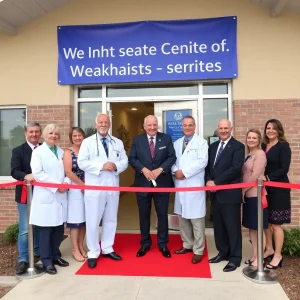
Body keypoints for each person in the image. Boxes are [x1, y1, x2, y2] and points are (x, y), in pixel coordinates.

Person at [77, 113, 128, 269]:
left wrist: (116, 166)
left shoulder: (117, 142)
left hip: (112, 184)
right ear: (96, 123)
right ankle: (93, 252)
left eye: (106, 122)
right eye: (101, 122)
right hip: (95, 186)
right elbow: (82, 162)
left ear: (109, 124)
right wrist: (101, 166)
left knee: (111, 218)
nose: (103, 124)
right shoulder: (87, 142)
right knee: (93, 219)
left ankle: (107, 248)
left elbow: (125, 160)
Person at [129, 115, 176, 258]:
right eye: (149, 125)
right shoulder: (138, 140)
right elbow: (132, 158)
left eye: (154, 125)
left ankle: (163, 244)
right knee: (144, 215)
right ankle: (145, 244)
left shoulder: (166, 138)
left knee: (162, 215)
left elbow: (171, 157)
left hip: (162, 183)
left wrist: (160, 169)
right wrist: (143, 169)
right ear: (144, 126)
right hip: (143, 183)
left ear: (158, 125)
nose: (152, 127)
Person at [29, 124, 69, 275]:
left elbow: (67, 171)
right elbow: (38, 173)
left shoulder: (60, 152)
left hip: (60, 195)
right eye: (51, 133)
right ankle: (46, 260)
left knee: (58, 229)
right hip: (46, 195)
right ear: (45, 135)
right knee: (45, 230)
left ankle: (56, 256)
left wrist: (65, 183)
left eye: (56, 133)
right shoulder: (38, 152)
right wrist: (56, 186)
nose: (54, 135)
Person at [205, 119, 244, 272]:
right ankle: (223, 252)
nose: (223, 131)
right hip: (215, 195)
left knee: (232, 227)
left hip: (230, 194)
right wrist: (208, 181)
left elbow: (235, 168)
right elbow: (208, 167)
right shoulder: (213, 146)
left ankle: (235, 258)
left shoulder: (238, 147)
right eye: (221, 128)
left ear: (231, 129)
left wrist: (216, 183)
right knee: (219, 227)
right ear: (217, 129)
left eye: (226, 128)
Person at [172, 116, 208, 264]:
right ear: (182, 127)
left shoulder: (201, 143)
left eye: (190, 125)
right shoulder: (177, 143)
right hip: (180, 185)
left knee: (196, 220)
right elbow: (172, 161)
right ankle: (187, 244)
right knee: (183, 218)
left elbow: (202, 162)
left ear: (195, 126)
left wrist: (184, 172)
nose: (187, 127)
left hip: (193, 185)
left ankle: (198, 249)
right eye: (185, 125)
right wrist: (176, 171)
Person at [10, 122, 42, 275]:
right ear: (26, 133)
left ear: (40, 133)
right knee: (24, 229)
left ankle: (37, 252)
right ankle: (23, 259)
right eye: (31, 132)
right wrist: (25, 176)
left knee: (38, 226)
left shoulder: (45, 149)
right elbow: (14, 171)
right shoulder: (18, 151)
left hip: (43, 195)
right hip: (25, 195)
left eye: (36, 132)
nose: (34, 134)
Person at [260, 119, 291, 269]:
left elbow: (284, 168)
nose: (270, 130)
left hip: (279, 190)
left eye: (273, 128)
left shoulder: (283, 146)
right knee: (266, 221)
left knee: (276, 224)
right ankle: (269, 248)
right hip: (264, 189)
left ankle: (278, 255)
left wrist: (267, 177)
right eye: (268, 128)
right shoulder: (263, 146)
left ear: (279, 130)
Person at [242, 129, 268, 267]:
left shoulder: (260, 154)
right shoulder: (248, 154)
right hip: (248, 195)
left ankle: (260, 258)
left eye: (254, 138)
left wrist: (243, 190)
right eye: (249, 137)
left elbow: (255, 175)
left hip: (256, 194)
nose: (251, 140)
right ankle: (254, 255)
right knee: (252, 228)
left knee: (259, 228)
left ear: (259, 140)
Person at [64, 127, 87, 262]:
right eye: (75, 136)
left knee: (84, 220)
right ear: (71, 138)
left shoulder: (86, 151)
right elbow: (68, 172)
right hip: (75, 189)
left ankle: (81, 246)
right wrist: (81, 184)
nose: (78, 138)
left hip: (87, 188)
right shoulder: (68, 152)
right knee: (75, 220)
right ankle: (74, 249)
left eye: (80, 135)